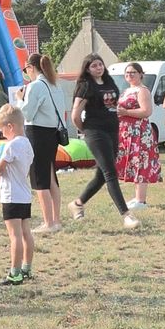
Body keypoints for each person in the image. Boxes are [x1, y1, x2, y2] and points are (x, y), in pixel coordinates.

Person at [67, 54, 139, 230]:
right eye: (94, 66)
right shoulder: (85, 86)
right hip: (95, 131)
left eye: (100, 64)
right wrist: (85, 130)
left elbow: (113, 106)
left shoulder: (109, 82)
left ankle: (77, 203)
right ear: (87, 69)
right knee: (110, 173)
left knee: (102, 174)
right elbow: (75, 114)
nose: (98, 68)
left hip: (112, 130)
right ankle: (126, 215)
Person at [13, 53, 67, 234]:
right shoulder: (55, 84)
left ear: (30, 68)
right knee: (51, 177)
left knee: (39, 180)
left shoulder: (35, 86)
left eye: (25, 69)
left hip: (37, 133)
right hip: (52, 133)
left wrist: (20, 99)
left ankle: (48, 222)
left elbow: (27, 114)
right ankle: (56, 220)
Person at [0, 104, 35, 285]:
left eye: (2, 130)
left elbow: (2, 162)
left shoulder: (11, 145)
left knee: (14, 236)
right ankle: (26, 268)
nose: (2, 134)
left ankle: (14, 272)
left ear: (10, 127)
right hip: (24, 195)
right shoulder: (27, 143)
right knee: (26, 233)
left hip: (11, 196)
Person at [117, 62, 162, 212]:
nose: (130, 75)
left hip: (139, 132)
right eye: (127, 73)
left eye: (133, 72)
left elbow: (146, 111)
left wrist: (126, 112)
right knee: (133, 163)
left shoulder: (143, 91)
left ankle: (141, 200)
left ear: (141, 74)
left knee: (141, 162)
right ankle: (137, 197)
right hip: (126, 132)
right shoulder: (126, 91)